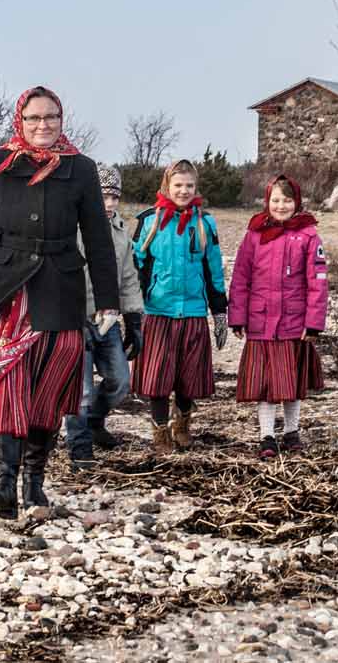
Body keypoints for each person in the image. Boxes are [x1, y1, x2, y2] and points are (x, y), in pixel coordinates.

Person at [0, 87, 120, 518]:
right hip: (3, 289)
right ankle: (4, 483)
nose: (43, 125)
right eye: (34, 118)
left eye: (51, 117)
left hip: (59, 289)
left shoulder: (81, 168)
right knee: (4, 385)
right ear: (20, 120)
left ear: (61, 119)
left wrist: (108, 302)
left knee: (48, 390)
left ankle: (34, 484)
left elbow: (98, 239)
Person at [130, 159, 228, 454]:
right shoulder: (149, 221)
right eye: (178, 185)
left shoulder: (205, 223)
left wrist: (219, 312)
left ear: (196, 188)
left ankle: (182, 423)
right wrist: (132, 309)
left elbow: (213, 270)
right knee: (158, 379)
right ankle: (160, 431)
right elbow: (136, 267)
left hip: (193, 311)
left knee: (188, 378)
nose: (183, 191)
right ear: (167, 186)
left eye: (189, 186)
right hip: (158, 311)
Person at [228, 174, 328, 458]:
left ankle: (292, 432)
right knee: (266, 385)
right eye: (276, 200)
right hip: (261, 324)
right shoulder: (254, 234)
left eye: (287, 200)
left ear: (297, 202)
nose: (281, 206)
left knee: (291, 383)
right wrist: (237, 317)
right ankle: (267, 436)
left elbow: (318, 282)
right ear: (267, 201)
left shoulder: (308, 236)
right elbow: (240, 277)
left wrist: (313, 323)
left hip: (293, 325)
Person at [65, 163, 144, 467]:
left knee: (120, 381)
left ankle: (95, 421)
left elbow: (128, 277)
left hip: (108, 320)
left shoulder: (121, 233)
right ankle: (79, 445)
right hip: (77, 318)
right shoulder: (72, 228)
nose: (109, 204)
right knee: (81, 389)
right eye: (103, 197)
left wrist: (133, 319)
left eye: (114, 197)